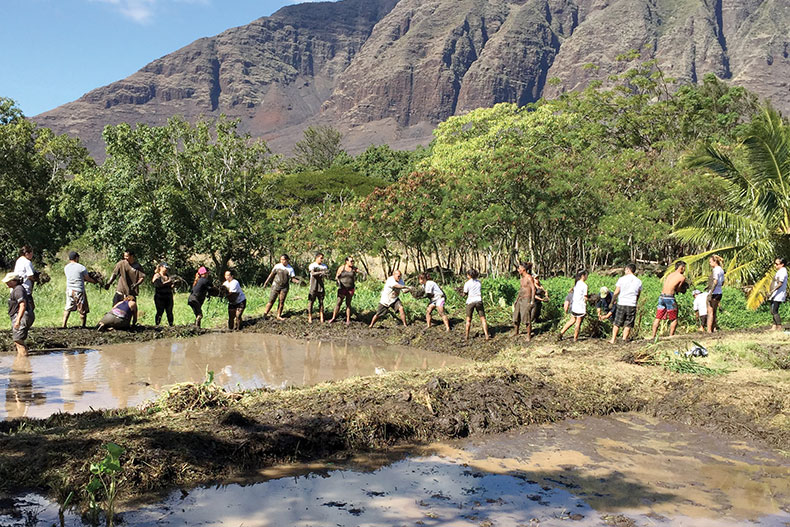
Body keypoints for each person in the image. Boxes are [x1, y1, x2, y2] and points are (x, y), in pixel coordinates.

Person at [651, 261, 688, 338]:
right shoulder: (682, 277)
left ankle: (653, 336)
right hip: (669, 298)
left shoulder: (670, 275)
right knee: (674, 318)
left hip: (662, 297)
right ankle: (671, 336)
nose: (684, 269)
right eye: (684, 268)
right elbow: (678, 289)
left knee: (658, 317)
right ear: (681, 267)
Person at [62, 251, 98, 328]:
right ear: (77, 258)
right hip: (78, 290)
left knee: (68, 307)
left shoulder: (66, 267)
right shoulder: (81, 267)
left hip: (69, 290)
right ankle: (83, 326)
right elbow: (87, 278)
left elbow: (76, 277)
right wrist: (95, 281)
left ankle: (64, 324)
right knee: (82, 309)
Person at [105, 250, 145, 316]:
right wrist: (109, 283)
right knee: (115, 309)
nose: (125, 258)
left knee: (130, 310)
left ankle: (130, 324)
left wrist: (136, 284)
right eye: (124, 256)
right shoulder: (121, 263)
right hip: (120, 290)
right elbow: (114, 274)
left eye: (127, 256)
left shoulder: (137, 266)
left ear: (132, 256)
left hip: (131, 293)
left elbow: (142, 278)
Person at [610, 263, 643, 344]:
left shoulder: (621, 279)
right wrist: (636, 301)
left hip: (622, 302)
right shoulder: (638, 281)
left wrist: (612, 301)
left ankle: (613, 339)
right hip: (631, 304)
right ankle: (624, 339)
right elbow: (638, 294)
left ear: (628, 269)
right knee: (628, 323)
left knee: (617, 322)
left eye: (625, 269)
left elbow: (617, 291)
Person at [4, 273, 33, 355]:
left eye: (8, 281)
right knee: (18, 340)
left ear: (14, 281)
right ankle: (22, 358)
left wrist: (18, 321)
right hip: (22, 316)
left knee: (18, 340)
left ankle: (23, 363)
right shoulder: (17, 289)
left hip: (21, 316)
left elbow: (22, 305)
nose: (6, 283)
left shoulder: (18, 290)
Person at [263, 254, 300, 320]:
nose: (282, 261)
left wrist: (298, 282)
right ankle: (265, 314)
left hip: (284, 287)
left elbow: (292, 278)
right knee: (271, 300)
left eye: (283, 260)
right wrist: (266, 283)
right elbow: (271, 275)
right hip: (275, 285)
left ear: (287, 260)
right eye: (281, 260)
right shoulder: (277, 266)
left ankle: (278, 315)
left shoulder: (290, 269)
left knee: (281, 301)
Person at [329, 256, 362, 325]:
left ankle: (348, 319)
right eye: (351, 261)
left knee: (348, 304)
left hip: (350, 288)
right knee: (338, 303)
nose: (352, 262)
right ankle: (333, 317)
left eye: (353, 261)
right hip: (342, 288)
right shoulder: (342, 268)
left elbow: (360, 271)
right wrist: (338, 281)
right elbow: (336, 276)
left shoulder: (353, 268)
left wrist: (363, 273)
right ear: (346, 261)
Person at [559, 270, 588, 342]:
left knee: (572, 320)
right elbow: (585, 297)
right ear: (583, 276)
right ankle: (575, 338)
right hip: (580, 306)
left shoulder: (577, 283)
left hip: (574, 306)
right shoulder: (584, 285)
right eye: (586, 275)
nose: (587, 277)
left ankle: (561, 333)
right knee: (578, 322)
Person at [463, 268, 489, 341]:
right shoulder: (479, 282)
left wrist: (462, 294)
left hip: (470, 301)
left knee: (468, 319)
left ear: (469, 275)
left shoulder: (467, 283)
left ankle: (466, 336)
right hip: (478, 301)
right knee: (483, 319)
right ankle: (487, 335)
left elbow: (465, 293)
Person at [512, 262, 536, 340]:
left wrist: (532, 301)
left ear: (524, 269)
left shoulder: (529, 278)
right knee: (516, 316)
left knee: (526, 318)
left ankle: (528, 335)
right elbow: (521, 290)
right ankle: (516, 332)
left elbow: (533, 289)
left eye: (519, 268)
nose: (518, 270)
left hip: (526, 299)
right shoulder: (521, 279)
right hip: (520, 299)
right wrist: (516, 299)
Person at [13, 245, 37, 312]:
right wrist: (36, 280)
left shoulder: (19, 260)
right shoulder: (27, 262)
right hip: (25, 289)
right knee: (29, 308)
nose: (32, 255)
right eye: (31, 253)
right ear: (27, 253)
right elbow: (30, 275)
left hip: (17, 288)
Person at [307, 253, 329, 323]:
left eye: (322, 258)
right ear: (317, 258)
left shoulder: (324, 266)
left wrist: (324, 274)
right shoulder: (312, 265)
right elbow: (313, 273)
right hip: (313, 285)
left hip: (321, 286)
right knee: (311, 301)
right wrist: (321, 272)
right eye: (321, 258)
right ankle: (310, 316)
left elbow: (326, 274)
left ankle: (321, 316)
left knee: (321, 302)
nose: (322, 259)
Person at [768, 257, 787, 330]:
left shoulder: (783, 271)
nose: (775, 265)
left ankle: (779, 326)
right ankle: (774, 326)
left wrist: (772, 290)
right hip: (775, 294)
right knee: (772, 310)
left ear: (782, 264)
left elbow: (780, 283)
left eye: (777, 264)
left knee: (774, 310)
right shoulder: (780, 271)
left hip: (778, 294)